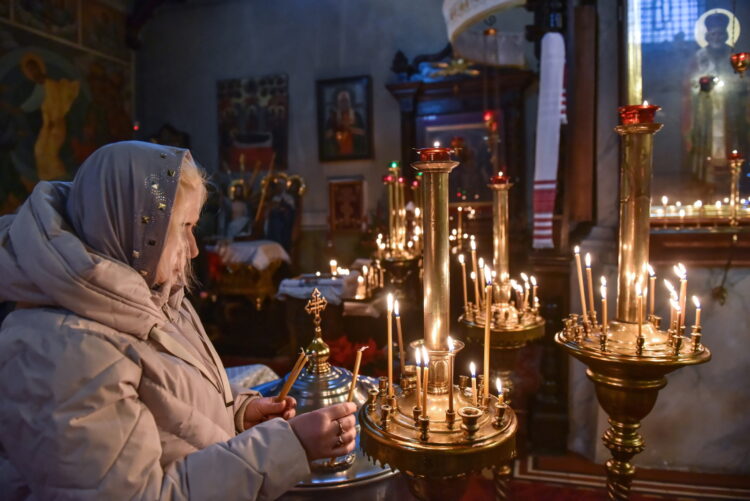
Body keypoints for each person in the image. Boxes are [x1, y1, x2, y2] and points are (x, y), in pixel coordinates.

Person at [0, 141, 357, 500]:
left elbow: (166, 407)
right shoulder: (65, 353)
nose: (195, 248)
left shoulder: (146, 296)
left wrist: (237, 415)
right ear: (136, 230)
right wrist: (287, 447)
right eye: (183, 227)